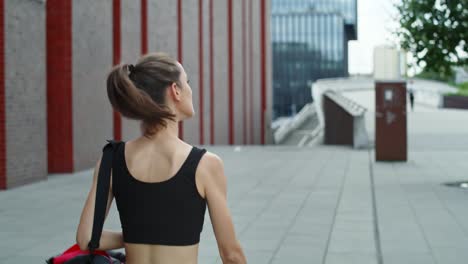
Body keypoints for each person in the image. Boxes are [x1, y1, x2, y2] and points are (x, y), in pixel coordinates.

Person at [75, 53, 247, 264]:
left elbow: (86, 238)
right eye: (187, 82)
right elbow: (231, 255)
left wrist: (135, 236)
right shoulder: (205, 164)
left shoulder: (112, 159)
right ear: (175, 90)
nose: (190, 90)